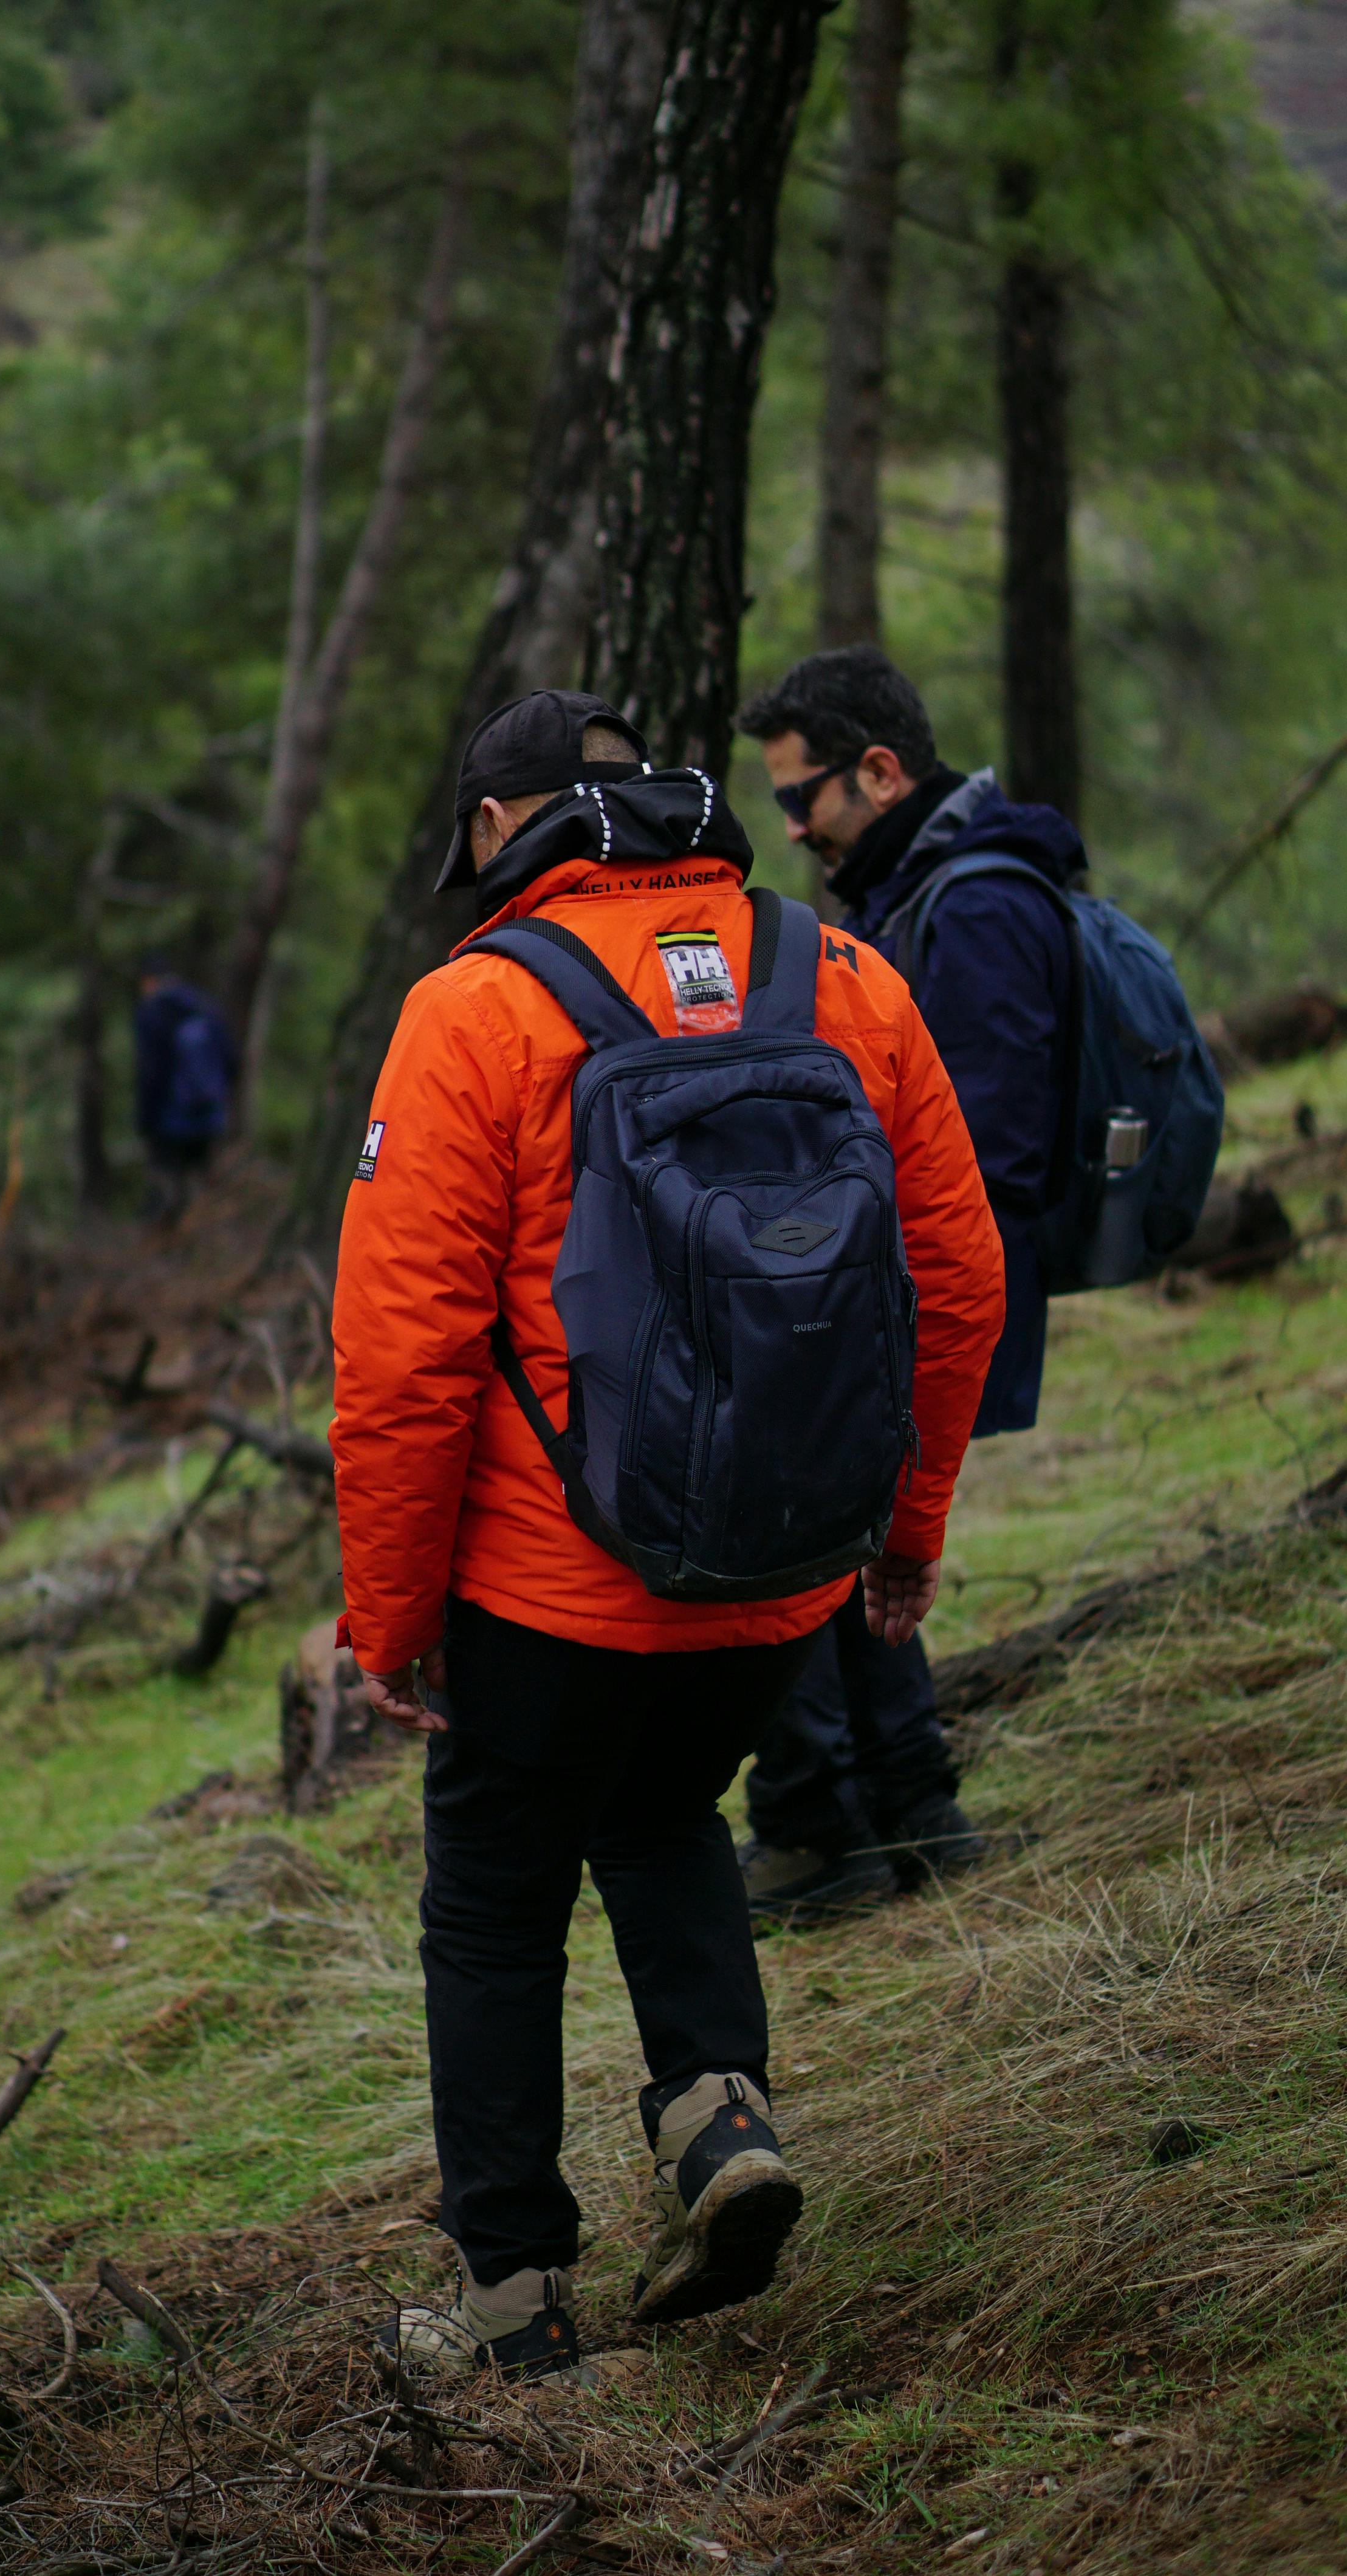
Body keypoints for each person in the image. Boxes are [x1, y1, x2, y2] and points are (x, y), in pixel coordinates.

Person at [328, 686, 1004, 2379]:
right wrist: (901, 1529)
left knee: (493, 1901)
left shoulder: (475, 1008)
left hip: (547, 1588)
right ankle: (717, 2118)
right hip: (780, 1572)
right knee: (664, 1814)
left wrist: (388, 1618)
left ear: (498, 827)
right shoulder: (835, 972)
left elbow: (402, 1358)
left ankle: (511, 2297)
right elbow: (955, 1275)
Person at [733, 645, 1081, 1925]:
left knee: (813, 1541)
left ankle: (819, 1827)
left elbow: (984, 1159)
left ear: (879, 772)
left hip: (920, 1305)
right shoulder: (916, 893)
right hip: (893, 1299)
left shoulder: (970, 909)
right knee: (855, 1548)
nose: (790, 826)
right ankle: (911, 1810)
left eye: (802, 794)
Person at [132, 957, 238, 1219]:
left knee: (167, 1187)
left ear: (148, 981)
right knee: (202, 1187)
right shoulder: (205, 1006)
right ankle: (203, 1234)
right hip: (208, 1115)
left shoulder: (153, 1012)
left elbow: (152, 1072)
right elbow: (231, 1061)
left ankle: (167, 1236)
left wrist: (146, 1118)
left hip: (169, 1119)